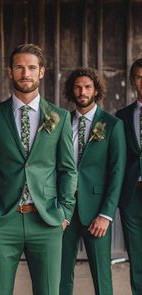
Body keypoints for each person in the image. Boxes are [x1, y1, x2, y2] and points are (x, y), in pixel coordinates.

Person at [0, 43, 77, 295]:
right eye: (19, 67)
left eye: (31, 67)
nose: (25, 73)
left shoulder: (60, 117)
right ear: (10, 71)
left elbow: (68, 170)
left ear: (42, 72)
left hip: (47, 220)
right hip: (2, 219)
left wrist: (65, 213)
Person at [60, 68, 126, 295]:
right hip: (65, 213)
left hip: (97, 213)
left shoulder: (112, 125)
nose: (82, 91)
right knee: (60, 275)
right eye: (77, 87)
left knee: (101, 276)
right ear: (71, 91)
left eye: (87, 87)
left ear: (96, 90)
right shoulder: (61, 122)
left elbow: (117, 172)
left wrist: (106, 215)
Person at [116, 58, 142, 295]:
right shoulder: (122, 115)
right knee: (136, 254)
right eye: (140, 77)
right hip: (131, 195)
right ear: (133, 81)